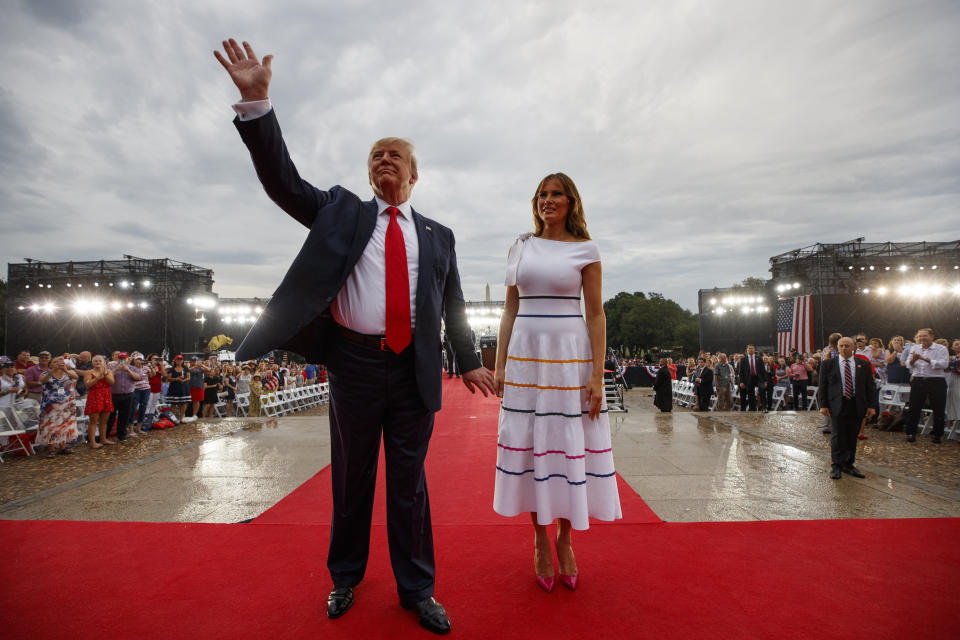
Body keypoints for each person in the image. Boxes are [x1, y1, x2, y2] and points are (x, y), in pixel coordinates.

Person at [215, 37, 496, 634]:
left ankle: (417, 589)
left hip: (414, 368)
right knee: (351, 477)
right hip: (353, 364)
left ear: (414, 174)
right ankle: (345, 576)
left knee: (409, 484)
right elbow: (284, 184)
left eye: (394, 155)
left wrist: (468, 358)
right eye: (375, 156)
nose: (383, 162)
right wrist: (258, 108)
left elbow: (453, 303)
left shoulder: (439, 236)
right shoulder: (343, 211)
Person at [492, 172, 621, 594]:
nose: (548, 200)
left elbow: (597, 314)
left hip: (570, 356)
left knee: (567, 445)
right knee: (531, 443)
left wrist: (597, 375)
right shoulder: (521, 246)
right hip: (526, 356)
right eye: (542, 194)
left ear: (571, 202)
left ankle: (565, 537)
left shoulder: (587, 249)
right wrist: (499, 365)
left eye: (556, 194)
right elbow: (509, 309)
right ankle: (539, 539)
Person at [817, 337, 877, 479]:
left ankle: (848, 464)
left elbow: (870, 386)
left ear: (854, 347)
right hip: (837, 404)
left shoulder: (863, 364)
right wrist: (823, 405)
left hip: (856, 404)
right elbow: (823, 386)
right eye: (841, 346)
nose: (844, 348)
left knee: (852, 435)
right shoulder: (828, 364)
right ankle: (836, 465)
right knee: (837, 435)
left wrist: (872, 406)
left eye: (847, 346)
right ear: (837, 347)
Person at [903, 328, 949, 444]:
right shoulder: (914, 348)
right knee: (914, 408)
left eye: (924, 336)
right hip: (918, 380)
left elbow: (944, 364)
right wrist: (913, 360)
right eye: (919, 336)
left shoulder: (941, 348)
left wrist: (924, 359)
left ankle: (937, 435)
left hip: (936, 381)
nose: (921, 338)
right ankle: (911, 433)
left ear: (932, 337)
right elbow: (908, 364)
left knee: (938, 408)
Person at [37, 356, 79, 457]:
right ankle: (51, 449)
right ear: (50, 364)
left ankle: (62, 447)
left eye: (60, 361)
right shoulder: (45, 374)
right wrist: (53, 371)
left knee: (64, 425)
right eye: (55, 361)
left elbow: (76, 377)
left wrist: (65, 369)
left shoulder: (68, 373)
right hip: (51, 406)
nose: (58, 363)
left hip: (67, 405)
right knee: (51, 427)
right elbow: (43, 380)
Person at [82, 355, 115, 449]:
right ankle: (92, 442)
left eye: (100, 361)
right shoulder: (88, 372)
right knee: (93, 420)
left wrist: (104, 375)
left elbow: (112, 382)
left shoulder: (108, 371)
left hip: (106, 395)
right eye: (96, 361)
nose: (98, 363)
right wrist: (97, 378)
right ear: (92, 363)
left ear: (104, 362)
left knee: (104, 421)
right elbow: (88, 384)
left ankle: (103, 439)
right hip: (94, 396)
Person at [107, 352, 141, 441]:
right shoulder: (111, 367)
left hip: (128, 395)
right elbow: (106, 378)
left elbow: (138, 378)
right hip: (113, 395)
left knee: (125, 416)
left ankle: (121, 435)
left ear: (127, 359)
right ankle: (105, 435)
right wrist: (116, 370)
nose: (122, 360)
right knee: (110, 416)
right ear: (117, 359)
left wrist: (128, 371)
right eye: (120, 359)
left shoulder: (133, 368)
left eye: (124, 358)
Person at [736, 345, 766, 411]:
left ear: (754, 349)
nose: (751, 350)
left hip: (758, 378)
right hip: (749, 379)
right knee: (751, 394)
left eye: (752, 348)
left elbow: (763, 370)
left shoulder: (759, 358)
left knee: (762, 389)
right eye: (749, 348)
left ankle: (764, 407)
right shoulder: (743, 359)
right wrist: (741, 382)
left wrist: (765, 381)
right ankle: (752, 409)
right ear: (747, 350)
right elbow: (741, 372)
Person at [0, 357, 27, 429]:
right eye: (6, 367)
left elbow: (25, 389)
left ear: (15, 368)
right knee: (3, 428)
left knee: (20, 427)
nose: (9, 369)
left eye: (12, 367)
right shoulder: (1, 379)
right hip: (3, 407)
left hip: (18, 406)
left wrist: (21, 394)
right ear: (2, 370)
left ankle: (17, 440)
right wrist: (9, 391)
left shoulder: (21, 377)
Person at [164, 355, 191, 424]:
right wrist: (177, 379)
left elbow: (188, 377)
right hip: (174, 388)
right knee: (173, 404)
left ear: (183, 361)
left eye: (181, 360)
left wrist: (184, 380)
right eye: (178, 360)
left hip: (183, 388)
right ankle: (173, 419)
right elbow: (168, 379)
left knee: (183, 403)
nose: (179, 361)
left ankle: (181, 418)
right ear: (175, 361)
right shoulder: (172, 369)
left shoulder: (186, 368)